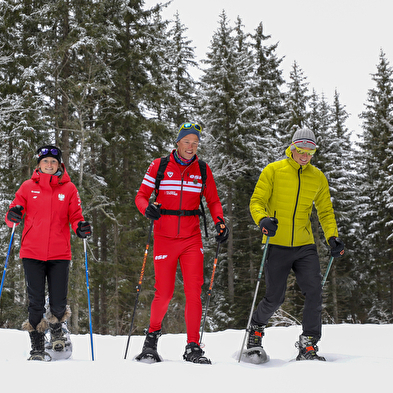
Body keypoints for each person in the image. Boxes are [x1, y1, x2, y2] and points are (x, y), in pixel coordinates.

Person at [135, 122, 229, 364]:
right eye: (187, 142)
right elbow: (141, 196)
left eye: (195, 143)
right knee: (164, 293)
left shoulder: (203, 170)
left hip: (191, 238)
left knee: (193, 292)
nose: (191, 147)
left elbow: (214, 201)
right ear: (177, 142)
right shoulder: (159, 165)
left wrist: (220, 222)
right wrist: (148, 210)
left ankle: (193, 346)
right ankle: (151, 340)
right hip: (165, 238)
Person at [248, 128, 344, 361]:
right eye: (301, 150)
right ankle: (256, 329)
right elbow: (257, 201)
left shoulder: (317, 177)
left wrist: (332, 236)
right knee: (275, 297)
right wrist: (263, 220)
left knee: (314, 291)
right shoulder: (274, 170)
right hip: (277, 243)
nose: (305, 155)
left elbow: (325, 211)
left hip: (304, 245)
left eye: (310, 151)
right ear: (291, 148)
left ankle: (309, 342)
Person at [5, 145, 92, 361]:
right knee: (35, 301)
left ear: (59, 164)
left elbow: (76, 216)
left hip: (59, 254)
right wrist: (13, 215)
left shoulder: (69, 189)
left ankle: (56, 332)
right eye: (45, 161)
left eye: (53, 161)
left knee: (58, 302)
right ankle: (36, 345)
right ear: (39, 165)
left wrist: (80, 226)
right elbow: (12, 213)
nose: (50, 165)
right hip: (32, 253)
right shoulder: (27, 187)